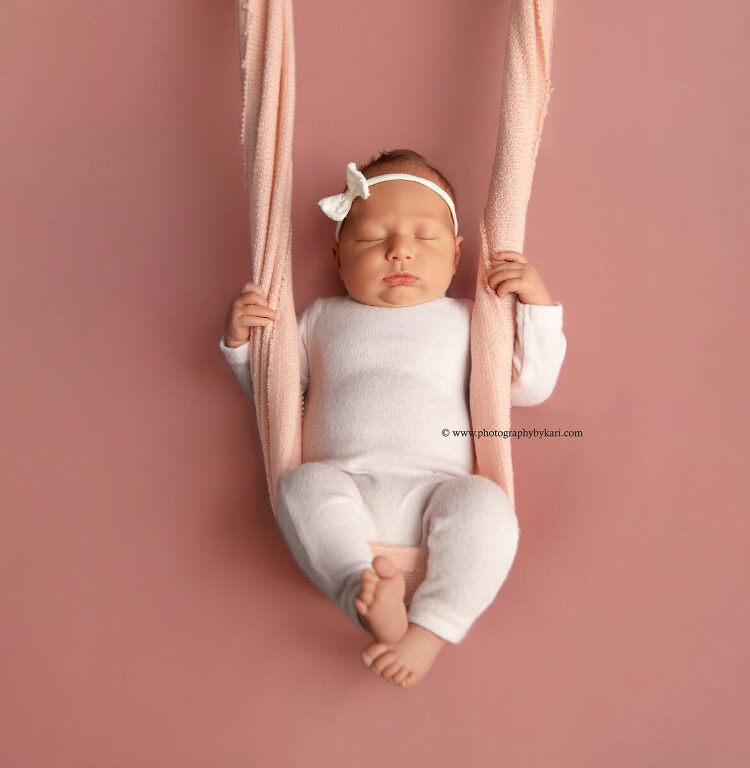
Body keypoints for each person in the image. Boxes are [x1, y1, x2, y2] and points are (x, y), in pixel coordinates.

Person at [219, 149, 566, 687]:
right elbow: (276, 393)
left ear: (455, 256)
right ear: (338, 257)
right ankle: (360, 592)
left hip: (439, 494)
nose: (400, 251)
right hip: (347, 494)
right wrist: (244, 346)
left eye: (423, 238)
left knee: (488, 507)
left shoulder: (468, 321)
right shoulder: (319, 320)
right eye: (373, 238)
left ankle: (432, 625)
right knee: (301, 487)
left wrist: (536, 310)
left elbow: (528, 388)